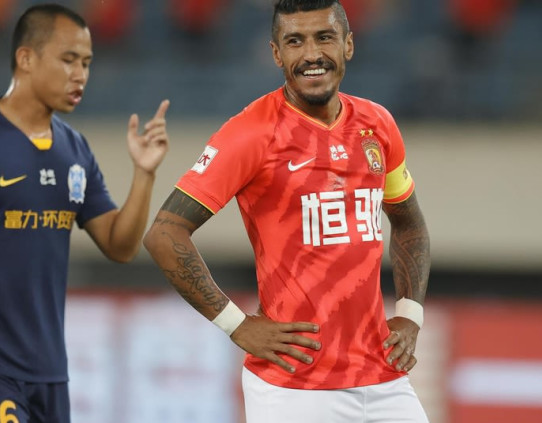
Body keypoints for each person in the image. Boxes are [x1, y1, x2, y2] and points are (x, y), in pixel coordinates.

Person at [143, 1, 430, 422]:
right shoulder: (252, 132)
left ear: (348, 45)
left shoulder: (377, 124)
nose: (311, 54)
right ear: (277, 54)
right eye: (295, 41)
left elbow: (408, 223)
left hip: (384, 375)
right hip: (293, 386)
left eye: (324, 38)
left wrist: (410, 314)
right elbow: (164, 234)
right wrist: (236, 325)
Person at [0, 4, 170, 423]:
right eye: (68, 59)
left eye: (86, 63)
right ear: (26, 59)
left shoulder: (75, 150)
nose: (80, 75)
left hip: (49, 375)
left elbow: (119, 246)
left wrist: (144, 175)